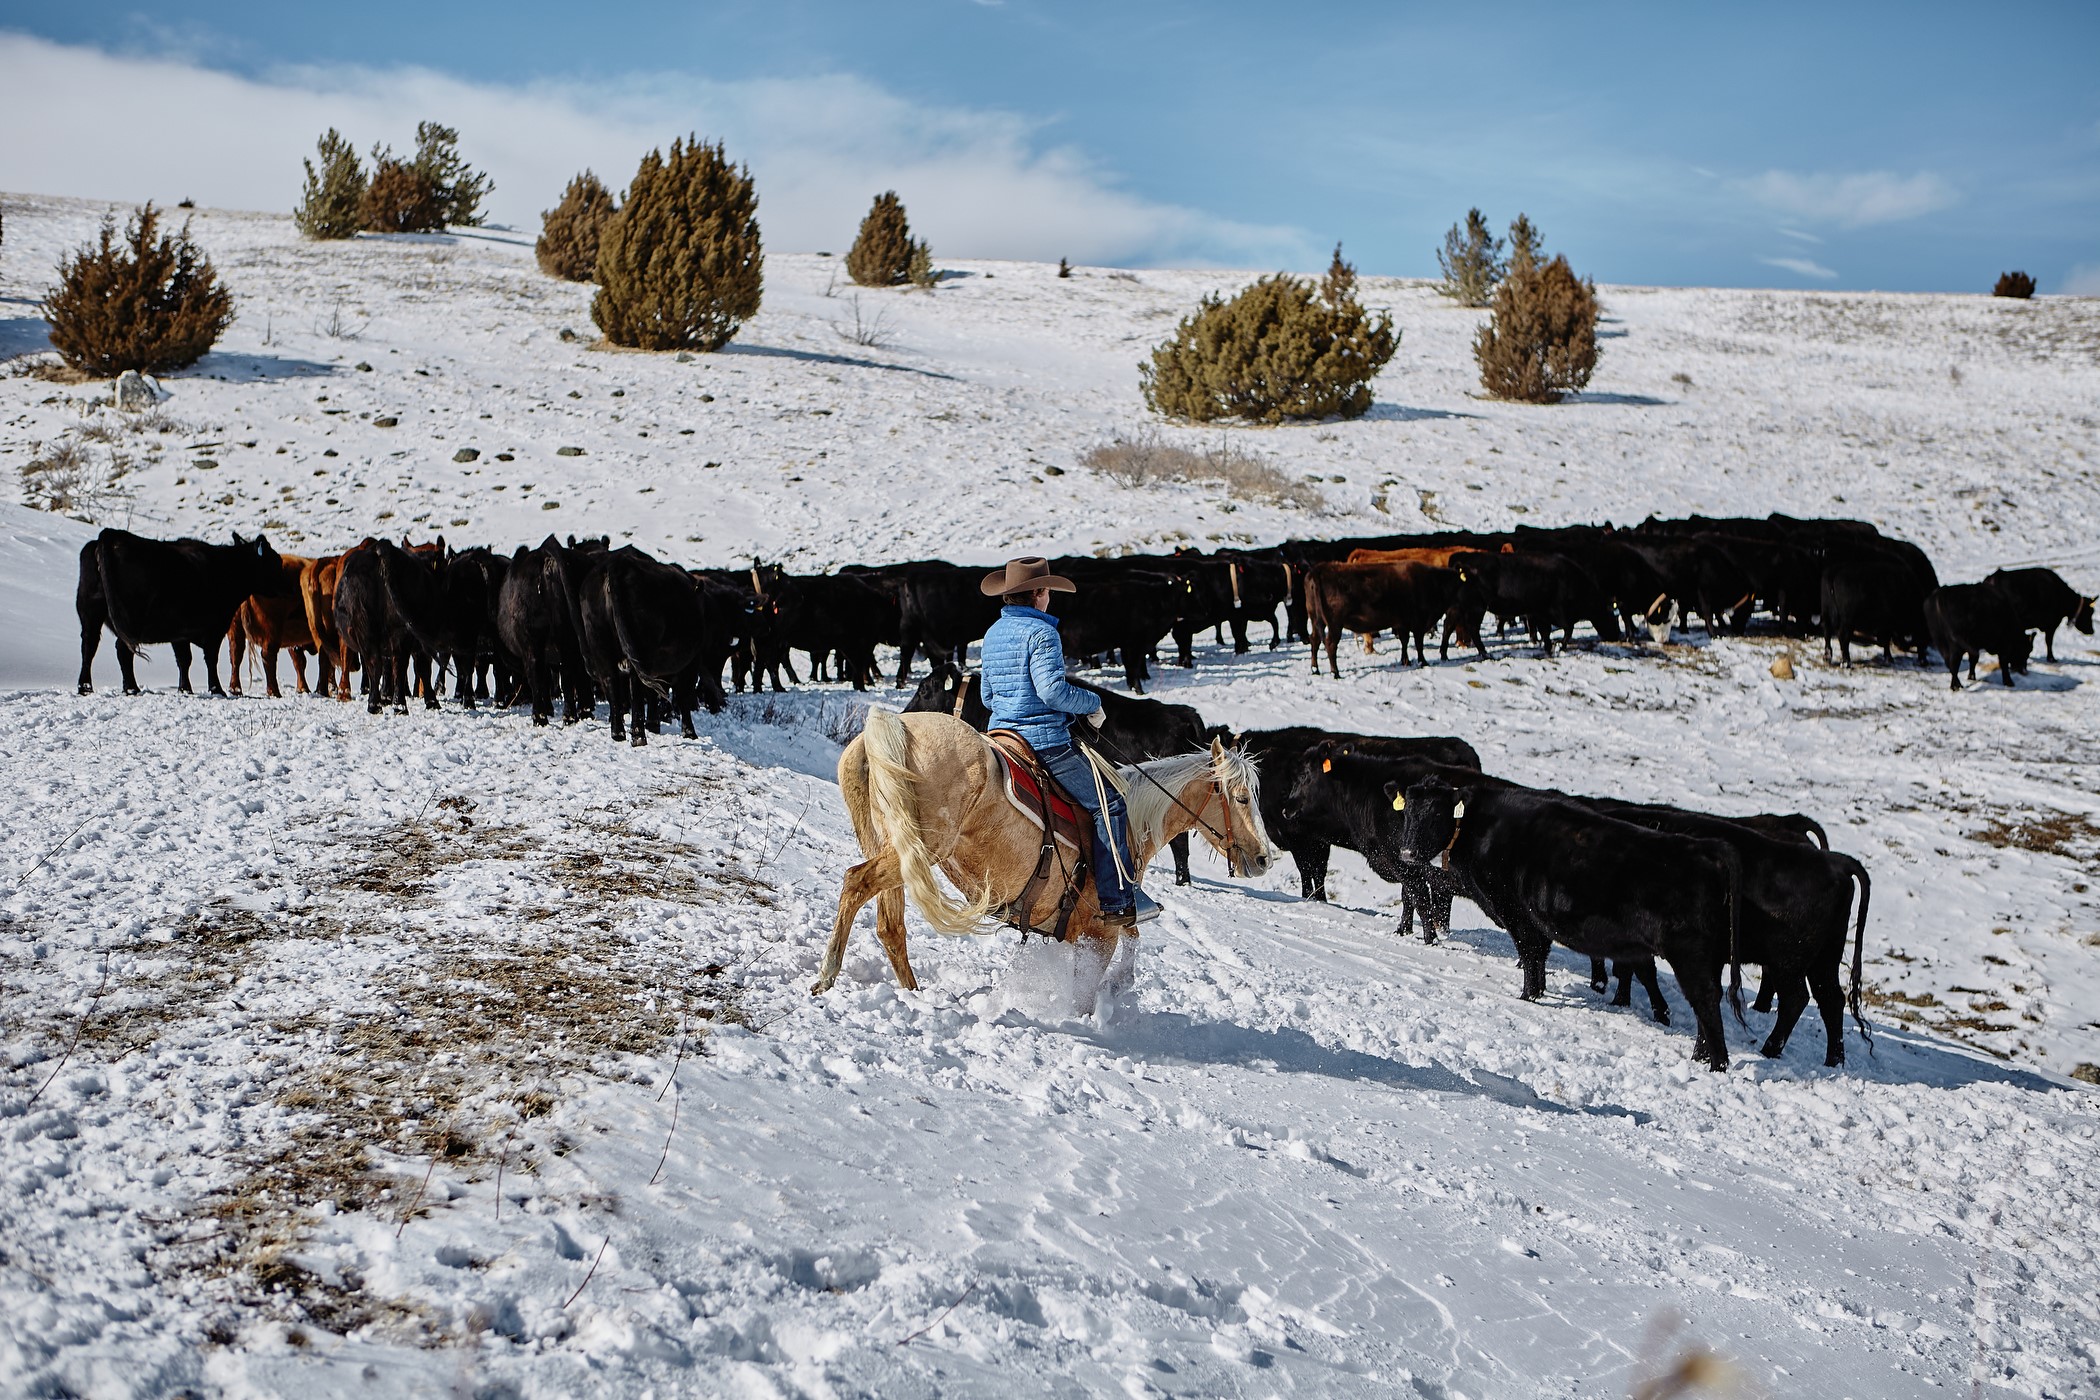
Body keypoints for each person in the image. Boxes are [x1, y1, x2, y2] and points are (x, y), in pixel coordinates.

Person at [977, 557, 1160, 926]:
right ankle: (1117, 900)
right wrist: (1092, 703)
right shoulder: (1043, 634)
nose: (1049, 598)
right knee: (1109, 804)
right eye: (1047, 592)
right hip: (1043, 743)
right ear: (1040, 594)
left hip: (1001, 738)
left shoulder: (993, 633)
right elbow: (1051, 691)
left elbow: (986, 697)